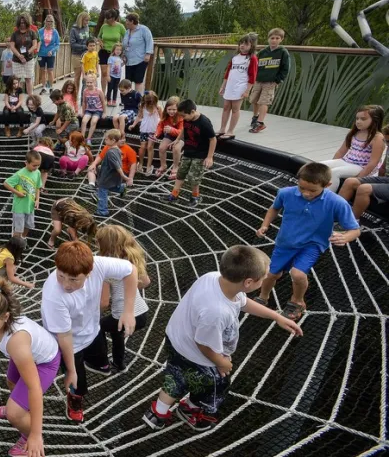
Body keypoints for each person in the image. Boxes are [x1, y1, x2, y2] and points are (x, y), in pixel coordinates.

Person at [143, 246, 303, 431]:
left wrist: (276, 316)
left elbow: (243, 302)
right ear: (249, 282)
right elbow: (203, 344)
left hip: (176, 340)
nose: (268, 278)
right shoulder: (216, 312)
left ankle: (157, 413)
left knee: (177, 376)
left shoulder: (213, 277)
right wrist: (221, 362)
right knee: (216, 383)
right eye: (265, 276)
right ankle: (191, 409)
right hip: (196, 353)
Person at [41, 241, 138, 423]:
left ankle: (97, 363)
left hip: (92, 329)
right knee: (77, 380)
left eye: (73, 279)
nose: (66, 285)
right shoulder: (53, 295)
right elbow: (64, 336)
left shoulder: (98, 264)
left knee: (100, 359)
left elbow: (131, 270)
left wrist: (128, 311)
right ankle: (75, 399)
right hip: (70, 343)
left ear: (89, 272)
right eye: (61, 276)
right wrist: (70, 370)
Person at [256, 162, 361, 321]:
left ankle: (297, 301)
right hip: (285, 242)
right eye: (302, 188)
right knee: (271, 274)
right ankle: (263, 297)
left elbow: (355, 229)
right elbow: (274, 208)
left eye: (312, 190)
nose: (306, 193)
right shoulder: (286, 193)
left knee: (297, 274)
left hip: (312, 245)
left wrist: (345, 237)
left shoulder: (336, 202)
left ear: (327, 185)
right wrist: (265, 225)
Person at [0, 277, 58, 456]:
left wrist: (36, 435)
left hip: (44, 362)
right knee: (11, 382)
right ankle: (19, 409)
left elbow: (34, 389)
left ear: (6, 317)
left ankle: (26, 435)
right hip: (25, 354)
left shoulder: (17, 341)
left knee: (15, 414)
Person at [95, 225, 150, 373]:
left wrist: (91, 311)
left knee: (97, 326)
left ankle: (102, 362)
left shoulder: (107, 267)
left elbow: (104, 303)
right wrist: (128, 292)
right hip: (142, 313)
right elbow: (146, 282)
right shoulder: (132, 258)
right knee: (116, 332)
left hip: (124, 316)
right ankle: (119, 364)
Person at [161, 99, 216, 207]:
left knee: (193, 177)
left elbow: (213, 139)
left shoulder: (204, 122)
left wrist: (209, 157)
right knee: (181, 173)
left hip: (200, 154)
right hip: (188, 152)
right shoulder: (187, 119)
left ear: (192, 112)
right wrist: (177, 139)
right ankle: (174, 195)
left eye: (184, 116)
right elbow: (184, 130)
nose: (182, 118)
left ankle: (196, 196)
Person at [321, 105, 386, 192]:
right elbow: (341, 152)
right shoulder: (354, 133)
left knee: (335, 173)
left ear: (375, 120)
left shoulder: (377, 137)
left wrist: (359, 178)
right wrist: (331, 166)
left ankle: (327, 198)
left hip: (360, 166)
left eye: (363, 119)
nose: (358, 121)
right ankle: (314, 190)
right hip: (346, 161)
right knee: (319, 167)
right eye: (357, 118)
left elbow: (373, 162)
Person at [217, 34, 258, 140]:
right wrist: (223, 86)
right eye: (241, 43)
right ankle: (222, 128)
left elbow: (252, 76)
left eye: (246, 44)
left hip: (240, 86)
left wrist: (247, 90)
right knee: (226, 107)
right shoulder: (235, 58)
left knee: (235, 108)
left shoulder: (252, 59)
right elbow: (228, 73)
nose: (242, 46)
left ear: (251, 46)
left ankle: (230, 131)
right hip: (230, 85)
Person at [249, 28, 290, 133]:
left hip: (270, 81)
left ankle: (260, 123)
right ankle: (255, 117)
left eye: (277, 38)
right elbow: (255, 64)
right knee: (255, 99)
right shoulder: (263, 52)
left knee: (264, 101)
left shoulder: (283, 52)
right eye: (272, 38)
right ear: (268, 39)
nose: (274, 40)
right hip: (259, 80)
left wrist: (278, 80)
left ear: (281, 39)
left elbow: (285, 68)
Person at [87, 129, 128, 216]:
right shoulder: (117, 150)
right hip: (113, 176)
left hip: (108, 176)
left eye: (106, 139)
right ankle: (121, 188)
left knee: (102, 191)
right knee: (110, 187)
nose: (105, 140)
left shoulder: (110, 152)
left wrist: (123, 176)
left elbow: (117, 165)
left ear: (113, 140)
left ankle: (102, 211)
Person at [4, 151, 43, 239]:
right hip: (19, 207)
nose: (36, 167)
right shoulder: (20, 174)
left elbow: (38, 187)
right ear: (26, 163)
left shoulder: (37, 173)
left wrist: (37, 199)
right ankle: (14, 244)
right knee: (18, 229)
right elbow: (6, 183)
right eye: (34, 165)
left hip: (30, 206)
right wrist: (17, 193)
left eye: (38, 165)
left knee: (28, 225)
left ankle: (22, 240)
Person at [128, 91, 162, 175]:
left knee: (150, 147)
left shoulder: (158, 108)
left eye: (152, 102)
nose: (150, 104)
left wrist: (161, 128)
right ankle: (141, 163)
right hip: (144, 128)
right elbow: (139, 116)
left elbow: (162, 118)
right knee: (143, 146)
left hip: (153, 129)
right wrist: (133, 124)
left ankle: (148, 166)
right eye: (149, 102)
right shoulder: (142, 106)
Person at [121, 13, 153, 93]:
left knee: (138, 80)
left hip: (140, 59)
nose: (126, 23)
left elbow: (149, 41)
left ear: (132, 21)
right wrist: (122, 54)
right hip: (128, 60)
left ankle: (138, 98)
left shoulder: (144, 29)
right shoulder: (127, 31)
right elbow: (125, 43)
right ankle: (128, 97)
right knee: (128, 80)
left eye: (127, 21)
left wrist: (148, 53)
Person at [97, 9, 126, 94]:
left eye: (108, 18)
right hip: (104, 52)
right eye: (106, 18)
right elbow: (99, 37)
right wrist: (100, 42)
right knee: (104, 73)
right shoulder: (104, 26)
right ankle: (103, 93)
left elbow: (126, 38)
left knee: (113, 73)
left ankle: (111, 93)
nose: (106, 20)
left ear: (114, 18)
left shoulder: (120, 26)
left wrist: (121, 47)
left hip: (115, 54)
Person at [155, 97, 184, 179]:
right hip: (170, 134)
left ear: (178, 109)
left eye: (174, 109)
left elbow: (182, 131)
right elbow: (160, 125)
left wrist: (172, 130)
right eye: (169, 109)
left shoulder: (181, 117)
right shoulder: (165, 116)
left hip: (181, 136)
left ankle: (175, 167)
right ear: (166, 109)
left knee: (176, 148)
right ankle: (163, 165)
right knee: (161, 148)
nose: (171, 111)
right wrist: (156, 133)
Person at [10, 14, 39, 95]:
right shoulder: (15, 34)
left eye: (24, 22)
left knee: (28, 79)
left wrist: (27, 53)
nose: (22, 24)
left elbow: (35, 45)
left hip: (29, 59)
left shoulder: (32, 33)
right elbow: (12, 46)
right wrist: (19, 55)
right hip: (16, 60)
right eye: (21, 22)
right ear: (18, 23)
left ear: (27, 22)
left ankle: (31, 97)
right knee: (16, 79)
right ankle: (15, 97)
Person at [80, 73, 107, 145]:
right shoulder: (85, 91)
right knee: (84, 121)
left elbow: (103, 102)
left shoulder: (99, 91)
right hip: (88, 110)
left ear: (94, 82)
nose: (89, 84)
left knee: (93, 121)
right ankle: (82, 138)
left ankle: (89, 138)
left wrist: (104, 112)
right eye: (87, 82)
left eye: (90, 82)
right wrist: (83, 112)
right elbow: (84, 102)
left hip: (97, 110)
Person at [37, 15, 60, 93]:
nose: (49, 23)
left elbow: (57, 44)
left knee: (50, 70)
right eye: (48, 21)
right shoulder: (40, 31)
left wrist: (52, 51)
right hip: (41, 53)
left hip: (51, 54)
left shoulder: (55, 32)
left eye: (51, 21)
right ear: (45, 21)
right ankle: (43, 87)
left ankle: (50, 87)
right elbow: (37, 41)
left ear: (53, 22)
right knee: (42, 70)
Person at [69, 11, 91, 89]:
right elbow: (72, 44)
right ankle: (75, 97)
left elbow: (88, 39)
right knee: (77, 77)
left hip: (86, 55)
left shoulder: (87, 28)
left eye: (88, 20)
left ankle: (84, 97)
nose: (87, 22)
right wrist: (84, 46)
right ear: (81, 20)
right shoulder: (74, 30)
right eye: (86, 20)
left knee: (86, 77)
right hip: (77, 55)